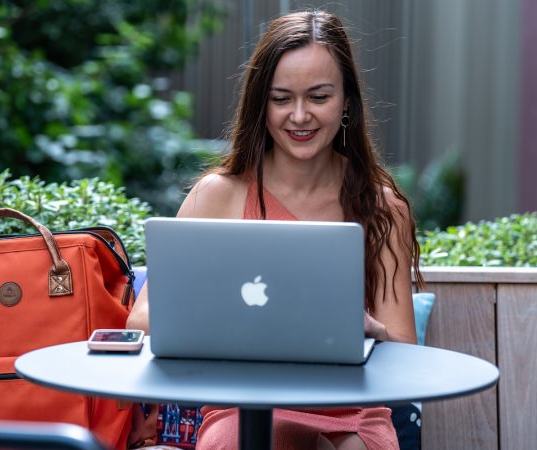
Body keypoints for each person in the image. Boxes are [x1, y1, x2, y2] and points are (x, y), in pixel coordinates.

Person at [127, 9, 425, 450]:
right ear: (260, 104)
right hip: (242, 409)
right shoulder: (218, 195)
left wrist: (366, 327)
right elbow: (142, 319)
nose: (299, 116)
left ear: (347, 102)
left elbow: (404, 348)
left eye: (319, 97)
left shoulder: (382, 206)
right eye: (281, 98)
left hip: (351, 413)